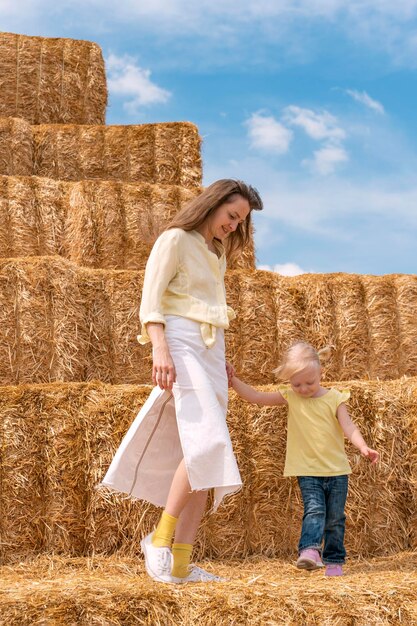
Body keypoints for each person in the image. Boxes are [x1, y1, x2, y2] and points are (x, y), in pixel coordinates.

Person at [101, 179, 263, 584]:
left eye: (240, 221)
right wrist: (160, 348)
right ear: (212, 205)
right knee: (209, 441)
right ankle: (159, 539)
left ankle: (181, 563)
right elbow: (151, 300)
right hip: (181, 340)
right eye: (231, 216)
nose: (233, 225)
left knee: (206, 455)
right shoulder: (174, 239)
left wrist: (220, 360)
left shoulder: (218, 252)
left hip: (211, 348)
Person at [230, 341, 379, 577]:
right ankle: (309, 551)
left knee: (335, 518)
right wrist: (234, 382)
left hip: (337, 471)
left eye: (309, 382)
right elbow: (257, 397)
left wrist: (363, 447)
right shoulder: (291, 397)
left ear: (321, 373)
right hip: (307, 469)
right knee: (315, 509)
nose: (303, 389)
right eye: (296, 384)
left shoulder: (335, 398)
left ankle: (334, 561)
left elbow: (348, 426)